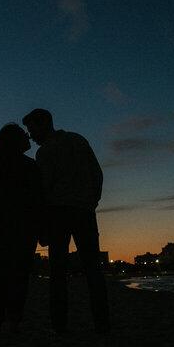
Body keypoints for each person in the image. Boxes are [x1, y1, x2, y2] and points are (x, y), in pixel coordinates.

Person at [22, 109, 109, 334]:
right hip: (84, 211)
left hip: (57, 213)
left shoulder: (44, 153)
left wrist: (42, 225)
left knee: (58, 272)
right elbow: (97, 174)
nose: (31, 136)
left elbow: (42, 190)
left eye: (32, 130)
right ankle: (102, 324)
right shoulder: (78, 140)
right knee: (93, 270)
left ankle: (59, 326)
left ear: (43, 124)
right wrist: (92, 201)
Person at [0, 123, 42, 335]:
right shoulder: (30, 166)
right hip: (22, 224)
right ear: (16, 141)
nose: (29, 138)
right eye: (25, 136)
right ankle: (13, 323)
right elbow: (37, 200)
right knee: (19, 276)